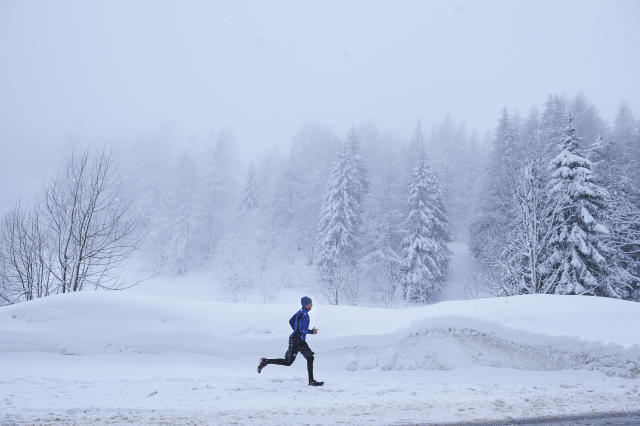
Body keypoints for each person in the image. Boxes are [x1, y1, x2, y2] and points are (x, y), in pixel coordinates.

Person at [257, 296, 324, 386]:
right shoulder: (304, 315)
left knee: (290, 361)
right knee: (307, 358)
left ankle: (265, 361)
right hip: (298, 340)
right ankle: (311, 381)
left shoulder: (300, 312)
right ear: (306, 304)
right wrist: (312, 331)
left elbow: (291, 321)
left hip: (295, 339)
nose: (312, 305)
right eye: (310, 304)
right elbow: (302, 330)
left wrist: (295, 330)